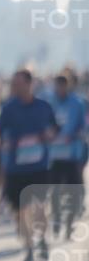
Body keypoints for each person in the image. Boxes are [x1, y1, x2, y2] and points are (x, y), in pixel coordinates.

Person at [0, 69, 57, 261]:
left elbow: (54, 128)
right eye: (13, 84)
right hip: (15, 168)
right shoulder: (7, 108)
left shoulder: (43, 107)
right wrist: (3, 143)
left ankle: (41, 239)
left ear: (29, 84)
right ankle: (29, 248)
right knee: (20, 211)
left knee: (39, 207)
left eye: (19, 84)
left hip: (38, 166)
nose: (15, 87)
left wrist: (49, 134)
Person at [46, 74, 87, 240]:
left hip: (73, 155)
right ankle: (56, 219)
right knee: (55, 190)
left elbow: (84, 128)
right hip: (54, 155)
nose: (59, 89)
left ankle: (69, 225)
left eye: (62, 86)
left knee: (74, 190)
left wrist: (75, 135)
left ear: (67, 86)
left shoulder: (77, 103)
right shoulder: (49, 103)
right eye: (57, 86)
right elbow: (45, 125)